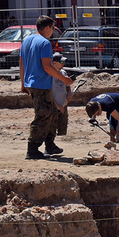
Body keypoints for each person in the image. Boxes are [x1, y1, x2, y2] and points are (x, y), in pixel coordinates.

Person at [20, 15, 73, 160]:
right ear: (48, 27)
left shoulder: (26, 41)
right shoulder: (44, 43)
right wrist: (64, 79)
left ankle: (50, 144)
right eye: (52, 28)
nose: (53, 32)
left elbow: (22, 63)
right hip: (41, 84)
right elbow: (47, 67)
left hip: (33, 83)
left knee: (52, 113)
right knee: (43, 115)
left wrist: (23, 83)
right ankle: (32, 148)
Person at [51, 53, 73, 138]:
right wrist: (57, 106)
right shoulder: (49, 75)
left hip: (63, 104)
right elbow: (48, 93)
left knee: (63, 127)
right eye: (61, 62)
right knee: (52, 128)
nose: (63, 63)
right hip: (53, 106)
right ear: (54, 63)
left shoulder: (63, 72)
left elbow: (67, 85)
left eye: (64, 61)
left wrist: (69, 93)